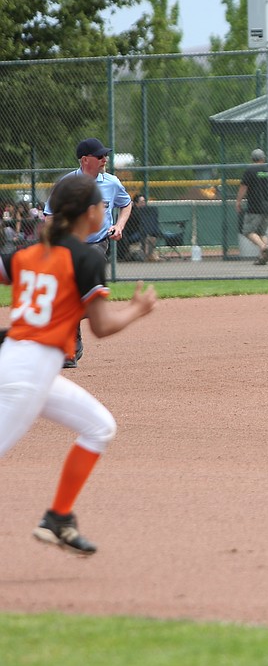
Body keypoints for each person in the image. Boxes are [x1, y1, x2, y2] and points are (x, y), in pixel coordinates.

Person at [0, 173, 157, 555]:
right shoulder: (86, 257)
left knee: (99, 427)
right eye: (102, 205)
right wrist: (137, 309)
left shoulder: (26, 254)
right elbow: (101, 327)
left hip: (28, 366)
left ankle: (59, 518)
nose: (105, 211)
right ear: (89, 213)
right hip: (24, 375)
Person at [45, 137, 132, 368]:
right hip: (69, 246)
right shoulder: (66, 184)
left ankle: (69, 334)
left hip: (96, 244)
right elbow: (49, 215)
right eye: (100, 156)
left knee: (80, 292)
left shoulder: (111, 183)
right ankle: (70, 341)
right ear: (85, 160)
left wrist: (119, 226)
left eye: (106, 155)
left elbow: (126, 203)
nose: (105, 159)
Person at [236, 148, 268, 266]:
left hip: (255, 206)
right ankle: (263, 257)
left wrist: (238, 201)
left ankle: (263, 246)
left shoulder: (250, 170)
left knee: (248, 231)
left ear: (252, 159)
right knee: (262, 233)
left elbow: (243, 187)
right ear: (263, 158)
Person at [123, 194, 162, 261]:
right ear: (136, 203)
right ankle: (146, 256)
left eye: (144, 202)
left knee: (152, 236)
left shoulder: (146, 212)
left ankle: (150, 255)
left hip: (143, 231)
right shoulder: (132, 212)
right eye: (141, 202)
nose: (143, 204)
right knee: (145, 235)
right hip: (133, 233)